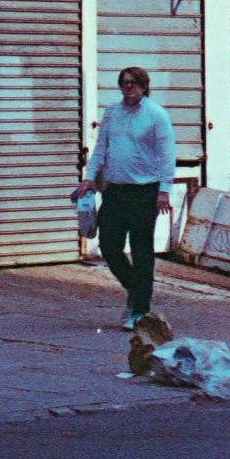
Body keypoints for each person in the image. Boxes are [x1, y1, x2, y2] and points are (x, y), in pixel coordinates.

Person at [73, 65, 175, 327]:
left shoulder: (156, 115)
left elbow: (167, 156)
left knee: (141, 250)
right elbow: (100, 148)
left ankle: (140, 309)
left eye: (133, 83)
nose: (128, 87)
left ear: (143, 86)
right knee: (109, 245)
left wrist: (164, 190)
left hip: (145, 191)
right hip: (115, 190)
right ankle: (134, 288)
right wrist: (89, 177)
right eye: (124, 83)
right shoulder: (112, 113)